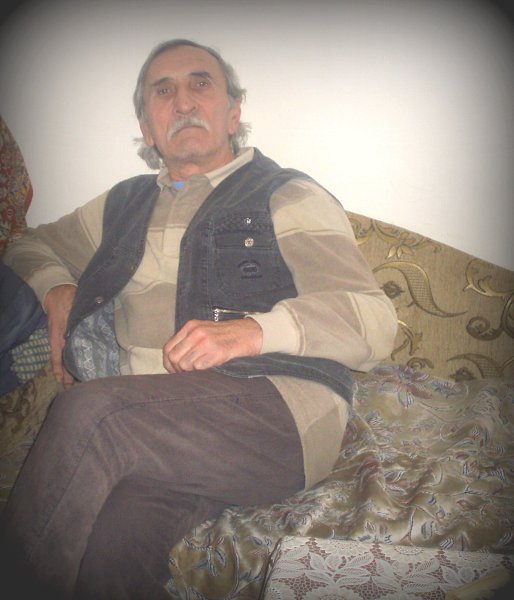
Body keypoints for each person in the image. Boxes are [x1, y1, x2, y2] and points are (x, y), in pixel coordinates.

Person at [0, 39, 397, 598]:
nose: (183, 101)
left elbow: (374, 318)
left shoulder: (285, 194)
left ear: (233, 112)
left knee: (90, 413)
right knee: (112, 548)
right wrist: (58, 289)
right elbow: (27, 244)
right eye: (163, 91)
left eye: (200, 84)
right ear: (147, 127)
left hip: (275, 409)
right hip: (161, 429)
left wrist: (251, 331)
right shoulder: (123, 205)